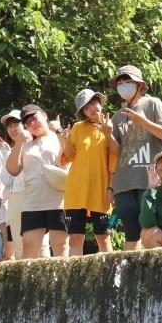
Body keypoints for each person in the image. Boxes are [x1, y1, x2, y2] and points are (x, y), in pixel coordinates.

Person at [108, 65, 162, 251]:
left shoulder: (152, 104)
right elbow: (118, 152)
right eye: (119, 83)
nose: (122, 86)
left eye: (127, 81)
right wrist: (107, 134)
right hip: (124, 184)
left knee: (153, 230)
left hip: (150, 180)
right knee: (131, 235)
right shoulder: (117, 116)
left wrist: (143, 122)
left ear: (139, 84)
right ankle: (131, 277)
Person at [6, 103, 70, 259]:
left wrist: (61, 133)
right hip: (32, 202)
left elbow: (71, 157)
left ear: (44, 115)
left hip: (58, 200)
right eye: (28, 123)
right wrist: (19, 142)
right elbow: (12, 169)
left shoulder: (58, 136)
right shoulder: (25, 144)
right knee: (28, 247)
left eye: (34, 118)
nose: (32, 124)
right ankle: (29, 283)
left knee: (60, 246)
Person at [61, 88, 118, 254]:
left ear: (100, 103)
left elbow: (115, 161)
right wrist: (65, 141)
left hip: (100, 188)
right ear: (83, 112)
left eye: (94, 102)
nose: (92, 108)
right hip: (76, 189)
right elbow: (68, 156)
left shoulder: (111, 126)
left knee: (104, 236)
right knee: (76, 238)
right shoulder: (78, 128)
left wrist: (111, 188)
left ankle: (110, 277)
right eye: (86, 107)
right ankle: (74, 277)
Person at [0, 110, 27, 258]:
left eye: (16, 123)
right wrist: (6, 153)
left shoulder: (35, 143)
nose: (13, 128)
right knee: (19, 244)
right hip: (15, 196)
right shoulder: (8, 150)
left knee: (40, 243)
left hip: (33, 194)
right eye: (9, 125)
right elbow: (5, 179)